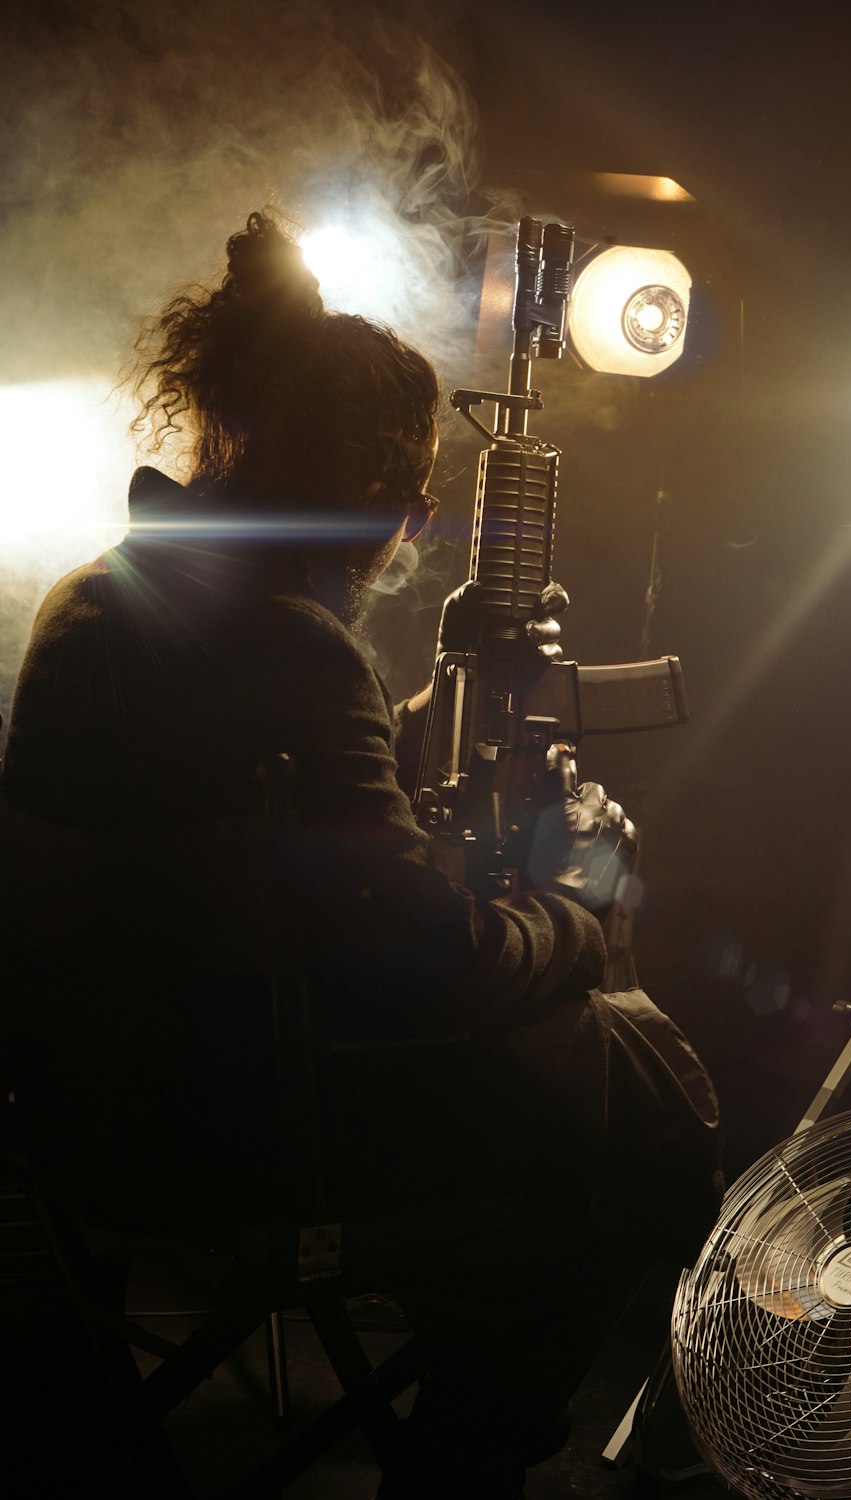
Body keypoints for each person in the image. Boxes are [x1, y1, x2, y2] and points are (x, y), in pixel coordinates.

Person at [0, 211, 721, 1498]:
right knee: (640, 1107)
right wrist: (572, 903)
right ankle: (458, 1466)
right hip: (240, 1143)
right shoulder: (290, 643)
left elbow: (235, 794)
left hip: (79, 1120)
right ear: (397, 509)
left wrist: (430, 689)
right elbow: (424, 970)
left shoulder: (100, 595)